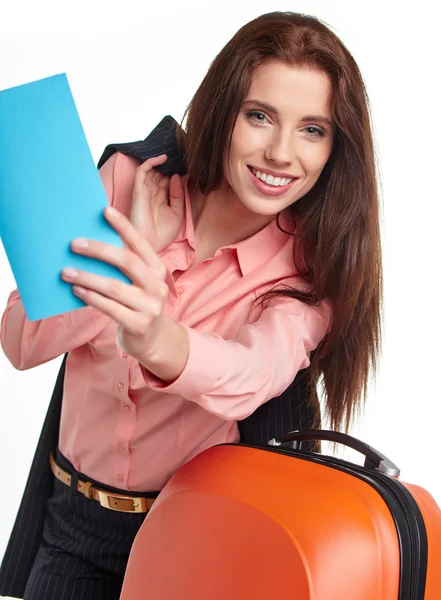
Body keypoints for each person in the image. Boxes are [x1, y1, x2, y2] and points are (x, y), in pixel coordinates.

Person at [0, 10, 382, 600]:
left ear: (336, 148)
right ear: (223, 110)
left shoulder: (312, 272)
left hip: (196, 534)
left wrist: (155, 336)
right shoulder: (127, 178)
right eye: (260, 116)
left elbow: (251, 375)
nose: (281, 153)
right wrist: (132, 251)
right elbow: (22, 341)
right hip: (71, 521)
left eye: (313, 129)